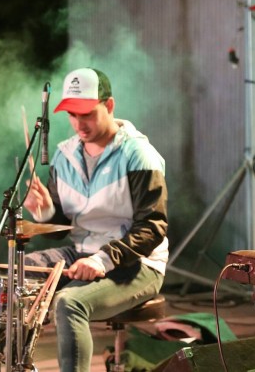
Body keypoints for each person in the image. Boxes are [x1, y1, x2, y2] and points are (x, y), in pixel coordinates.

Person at [22, 67, 169, 372]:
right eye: (72, 115)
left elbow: (152, 227)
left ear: (109, 105)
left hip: (139, 264)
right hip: (81, 251)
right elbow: (58, 229)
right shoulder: (64, 156)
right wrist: (45, 212)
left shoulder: (138, 154)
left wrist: (102, 259)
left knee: (69, 302)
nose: (79, 123)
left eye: (87, 114)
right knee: (16, 275)